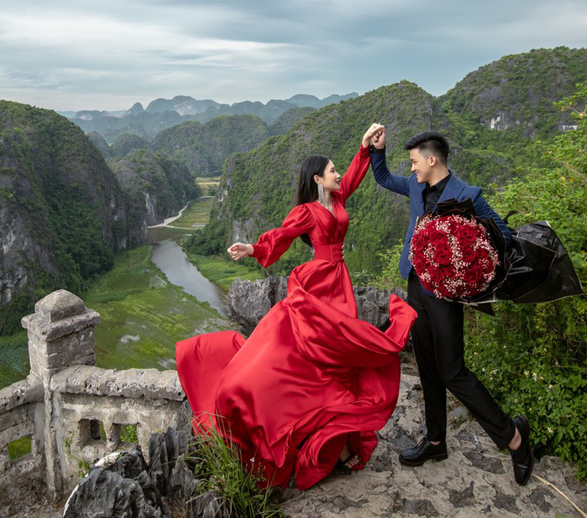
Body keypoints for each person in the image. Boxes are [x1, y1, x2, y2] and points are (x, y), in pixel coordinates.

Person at [176, 124, 417, 490]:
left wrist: (366, 145)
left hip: (340, 283)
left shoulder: (338, 199)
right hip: (319, 283)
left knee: (339, 360)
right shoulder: (306, 211)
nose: (338, 175)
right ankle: (326, 443)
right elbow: (281, 235)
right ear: (318, 178)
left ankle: (337, 437)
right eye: (331, 171)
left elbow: (354, 173)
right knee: (318, 363)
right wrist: (251, 249)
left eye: (337, 170)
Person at [367, 127, 535, 486]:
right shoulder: (414, 186)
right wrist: (376, 150)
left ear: (432, 160)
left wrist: (469, 263)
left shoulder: (467, 194)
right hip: (416, 284)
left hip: (446, 294)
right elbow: (382, 177)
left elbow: (502, 236)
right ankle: (435, 441)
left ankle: (515, 438)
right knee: (427, 366)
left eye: (414, 161)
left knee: (453, 372)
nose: (411, 168)